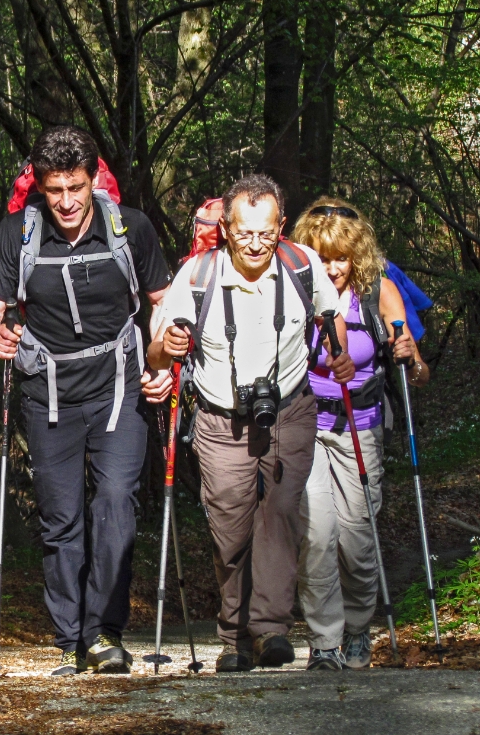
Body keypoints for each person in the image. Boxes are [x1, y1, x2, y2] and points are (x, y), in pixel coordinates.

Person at [0, 126, 174, 676]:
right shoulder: (18, 233)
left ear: (94, 180)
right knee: (61, 518)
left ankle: (104, 632)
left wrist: (162, 363)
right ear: (39, 185)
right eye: (54, 189)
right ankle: (69, 638)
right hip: (48, 394)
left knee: (115, 502)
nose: (65, 201)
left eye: (76, 188)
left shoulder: (130, 228)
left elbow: (163, 304)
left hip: (119, 387)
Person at [148, 174, 349, 673]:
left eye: (265, 232)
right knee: (230, 528)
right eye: (244, 232)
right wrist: (164, 350)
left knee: (280, 514)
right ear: (226, 227)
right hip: (221, 420)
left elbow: (331, 316)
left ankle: (270, 630)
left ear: (281, 226)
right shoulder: (197, 276)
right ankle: (234, 635)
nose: (255, 244)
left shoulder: (302, 266)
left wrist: (336, 353)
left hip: (291, 410)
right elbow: (156, 348)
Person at [290, 197, 431, 670]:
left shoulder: (379, 293)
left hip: (360, 427)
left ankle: (357, 627)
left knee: (357, 537)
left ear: (358, 257)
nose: (331, 269)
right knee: (315, 535)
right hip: (306, 425)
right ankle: (324, 640)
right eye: (322, 258)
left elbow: (418, 372)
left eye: (340, 259)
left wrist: (409, 354)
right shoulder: (292, 294)